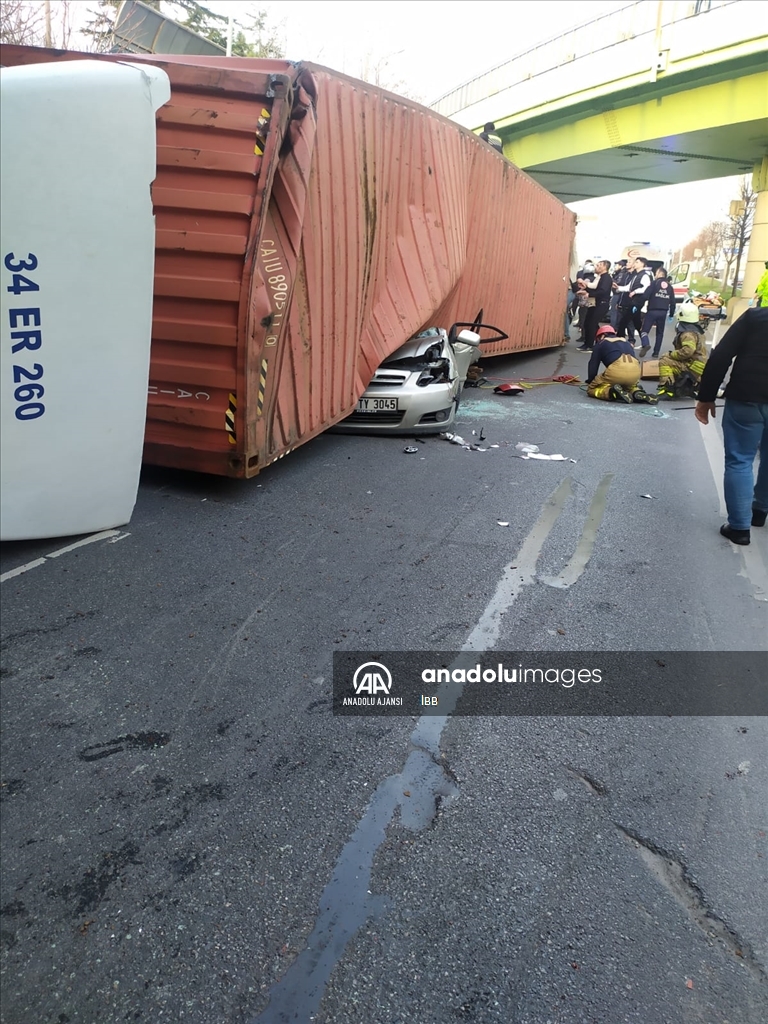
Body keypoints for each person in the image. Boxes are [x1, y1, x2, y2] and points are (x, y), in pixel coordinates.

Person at [694, 306, 768, 545]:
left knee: (740, 459)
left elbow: (721, 356)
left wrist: (706, 396)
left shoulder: (755, 317)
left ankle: (739, 527)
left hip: (747, 395)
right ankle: (760, 511)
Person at [585, 324, 657, 403]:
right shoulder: (626, 342)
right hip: (635, 372)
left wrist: (591, 381)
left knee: (592, 389)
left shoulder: (601, 344)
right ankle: (637, 393)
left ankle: (612, 392)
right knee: (629, 387)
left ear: (602, 335)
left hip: (616, 372)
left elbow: (593, 365)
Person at [655, 301, 708, 400]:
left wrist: (671, 354)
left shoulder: (687, 333)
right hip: (698, 367)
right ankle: (688, 388)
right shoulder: (697, 331)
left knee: (664, 360)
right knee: (671, 359)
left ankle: (668, 389)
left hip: (692, 367)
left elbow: (688, 351)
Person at [614, 256, 653, 344]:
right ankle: (645, 343)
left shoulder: (644, 275)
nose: (635, 264)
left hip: (637, 302)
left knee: (624, 321)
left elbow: (646, 288)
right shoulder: (636, 275)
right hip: (633, 301)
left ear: (642, 264)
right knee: (637, 323)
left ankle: (621, 341)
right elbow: (628, 287)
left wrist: (635, 291)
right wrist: (618, 288)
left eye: (637, 262)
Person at [639, 266, 676, 358]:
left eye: (656, 273)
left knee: (644, 331)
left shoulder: (654, 283)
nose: (655, 275)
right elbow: (673, 302)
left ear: (660, 273)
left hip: (652, 311)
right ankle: (656, 352)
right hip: (663, 313)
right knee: (660, 333)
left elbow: (645, 296)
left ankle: (645, 343)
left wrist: (637, 305)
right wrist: (671, 315)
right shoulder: (670, 287)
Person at [577, 259, 612, 351]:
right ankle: (589, 343)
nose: (596, 267)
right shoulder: (599, 277)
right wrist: (585, 290)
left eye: (599, 265)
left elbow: (602, 291)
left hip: (602, 304)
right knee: (588, 323)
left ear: (604, 267)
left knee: (592, 324)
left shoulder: (606, 278)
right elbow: (594, 288)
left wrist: (589, 294)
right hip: (594, 303)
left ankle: (592, 345)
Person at [609, 259, 630, 328]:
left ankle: (613, 327)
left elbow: (618, 283)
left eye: (617, 265)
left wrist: (611, 279)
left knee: (614, 311)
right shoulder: (622, 273)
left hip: (618, 294)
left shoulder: (621, 273)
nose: (615, 266)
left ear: (620, 266)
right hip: (619, 294)